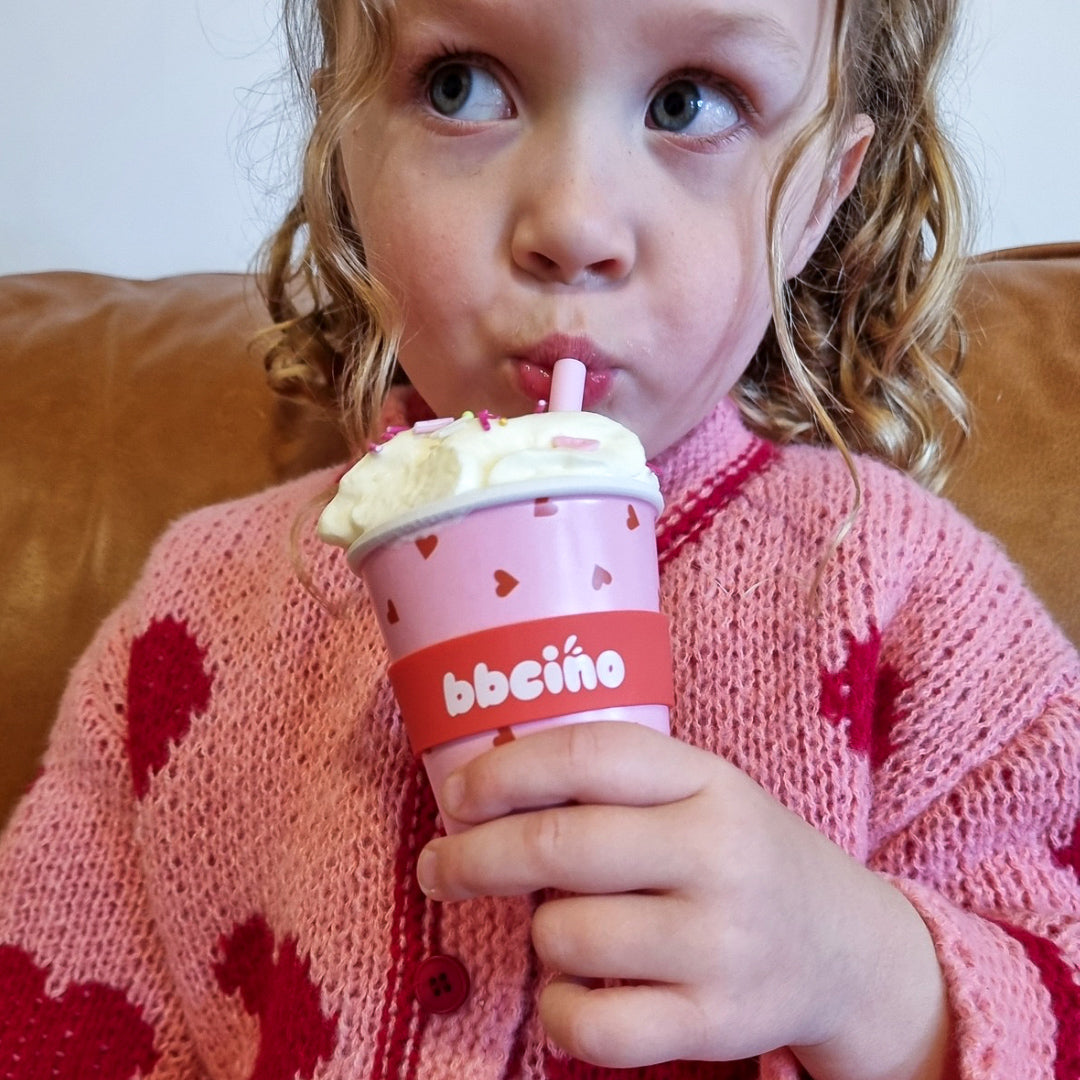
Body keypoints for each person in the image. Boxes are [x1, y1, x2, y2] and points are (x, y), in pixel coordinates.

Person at [1, 0, 1078, 1077]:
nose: (573, 224)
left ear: (819, 200)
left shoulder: (913, 604)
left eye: (689, 103)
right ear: (343, 149)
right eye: (461, 86)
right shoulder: (197, 617)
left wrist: (866, 975)